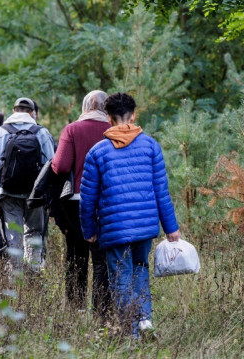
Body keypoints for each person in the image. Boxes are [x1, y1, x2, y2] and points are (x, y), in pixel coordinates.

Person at [79, 92, 181, 337]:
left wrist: (89, 231)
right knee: (140, 270)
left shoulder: (97, 152)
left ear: (109, 119)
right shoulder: (150, 146)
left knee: (121, 278)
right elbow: (161, 191)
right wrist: (171, 228)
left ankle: (130, 331)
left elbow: (87, 199)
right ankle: (144, 320)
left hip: (115, 230)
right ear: (134, 115)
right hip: (145, 227)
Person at [52, 90, 111, 314]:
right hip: (106, 202)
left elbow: (62, 166)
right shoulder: (113, 130)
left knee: (75, 255)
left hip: (75, 201)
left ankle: (75, 306)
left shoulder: (72, 129)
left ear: (86, 106)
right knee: (101, 257)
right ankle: (102, 310)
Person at [0, 97, 55, 271]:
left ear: (13, 111)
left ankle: (15, 276)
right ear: (32, 113)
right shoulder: (42, 132)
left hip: (8, 192)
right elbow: (51, 165)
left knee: (14, 235)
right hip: (35, 194)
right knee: (34, 233)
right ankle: (34, 272)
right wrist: (49, 197)